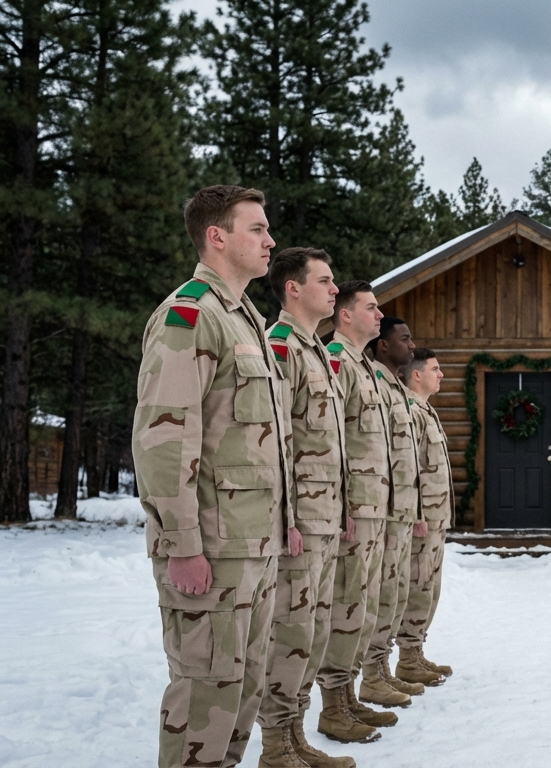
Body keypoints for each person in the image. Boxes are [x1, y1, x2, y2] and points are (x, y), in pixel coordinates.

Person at [133, 185, 302, 768]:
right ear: (217, 237)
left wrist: (286, 525)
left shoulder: (246, 321)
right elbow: (162, 442)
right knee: (205, 695)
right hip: (211, 547)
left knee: (242, 692)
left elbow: (261, 445)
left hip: (252, 548)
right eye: (257, 228)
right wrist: (181, 544)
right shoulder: (190, 316)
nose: (270, 239)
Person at [257, 248, 357, 767]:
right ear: (294, 288)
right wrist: (289, 518)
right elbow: (277, 441)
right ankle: (275, 745)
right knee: (290, 631)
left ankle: (293, 736)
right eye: (325, 280)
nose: (334, 289)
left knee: (312, 631)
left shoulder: (315, 350)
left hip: (324, 519)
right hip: (300, 524)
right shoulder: (281, 347)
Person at [315, 281, 403, 731]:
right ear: (346, 315)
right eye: (371, 308)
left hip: (373, 509)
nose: (379, 314)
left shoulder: (364, 367)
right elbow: (332, 441)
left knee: (363, 606)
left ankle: (346, 695)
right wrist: (345, 505)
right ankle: (333, 706)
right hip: (352, 511)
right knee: (346, 605)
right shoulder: (336, 360)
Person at [361, 318, 425, 703]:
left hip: (398, 513)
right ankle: (366, 679)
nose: (412, 344)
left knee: (393, 596)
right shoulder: (370, 381)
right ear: (383, 345)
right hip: (375, 514)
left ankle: (380, 671)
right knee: (372, 600)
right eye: (404, 338)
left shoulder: (395, 391)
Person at [395, 348, 453, 683]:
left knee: (429, 588)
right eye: (435, 368)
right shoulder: (410, 410)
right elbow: (408, 467)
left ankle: (415, 652)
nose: (441, 374)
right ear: (416, 374)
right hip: (422, 520)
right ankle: (406, 659)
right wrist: (416, 513)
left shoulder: (424, 410)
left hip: (435, 517)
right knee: (417, 587)